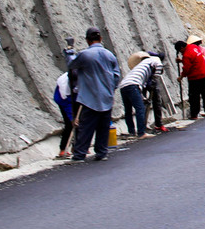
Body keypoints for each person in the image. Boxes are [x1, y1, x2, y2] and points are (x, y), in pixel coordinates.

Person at [68, 26, 120, 161]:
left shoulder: (85, 54)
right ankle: (102, 152)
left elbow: (71, 65)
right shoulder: (110, 55)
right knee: (103, 127)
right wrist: (110, 90)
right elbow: (116, 76)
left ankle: (80, 154)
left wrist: (69, 53)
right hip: (107, 97)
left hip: (90, 97)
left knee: (86, 127)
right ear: (100, 38)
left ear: (87, 40)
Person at [118, 51, 162, 139]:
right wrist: (154, 78)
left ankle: (131, 132)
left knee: (128, 110)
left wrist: (143, 97)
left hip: (124, 86)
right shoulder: (154, 59)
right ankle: (141, 132)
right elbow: (159, 67)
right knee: (140, 108)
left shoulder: (138, 68)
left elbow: (139, 87)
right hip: (132, 85)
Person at [180, 34, 205, 119]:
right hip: (204, 74)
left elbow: (187, 68)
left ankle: (194, 114)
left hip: (194, 77)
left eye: (180, 51)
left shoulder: (186, 54)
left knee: (194, 96)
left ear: (181, 48)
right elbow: (194, 59)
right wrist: (181, 60)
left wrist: (181, 76)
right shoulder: (195, 48)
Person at [53, 70, 76, 158]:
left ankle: (77, 146)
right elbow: (67, 103)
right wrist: (72, 118)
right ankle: (63, 149)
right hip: (63, 99)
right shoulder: (65, 86)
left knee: (83, 120)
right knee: (70, 124)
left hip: (78, 96)